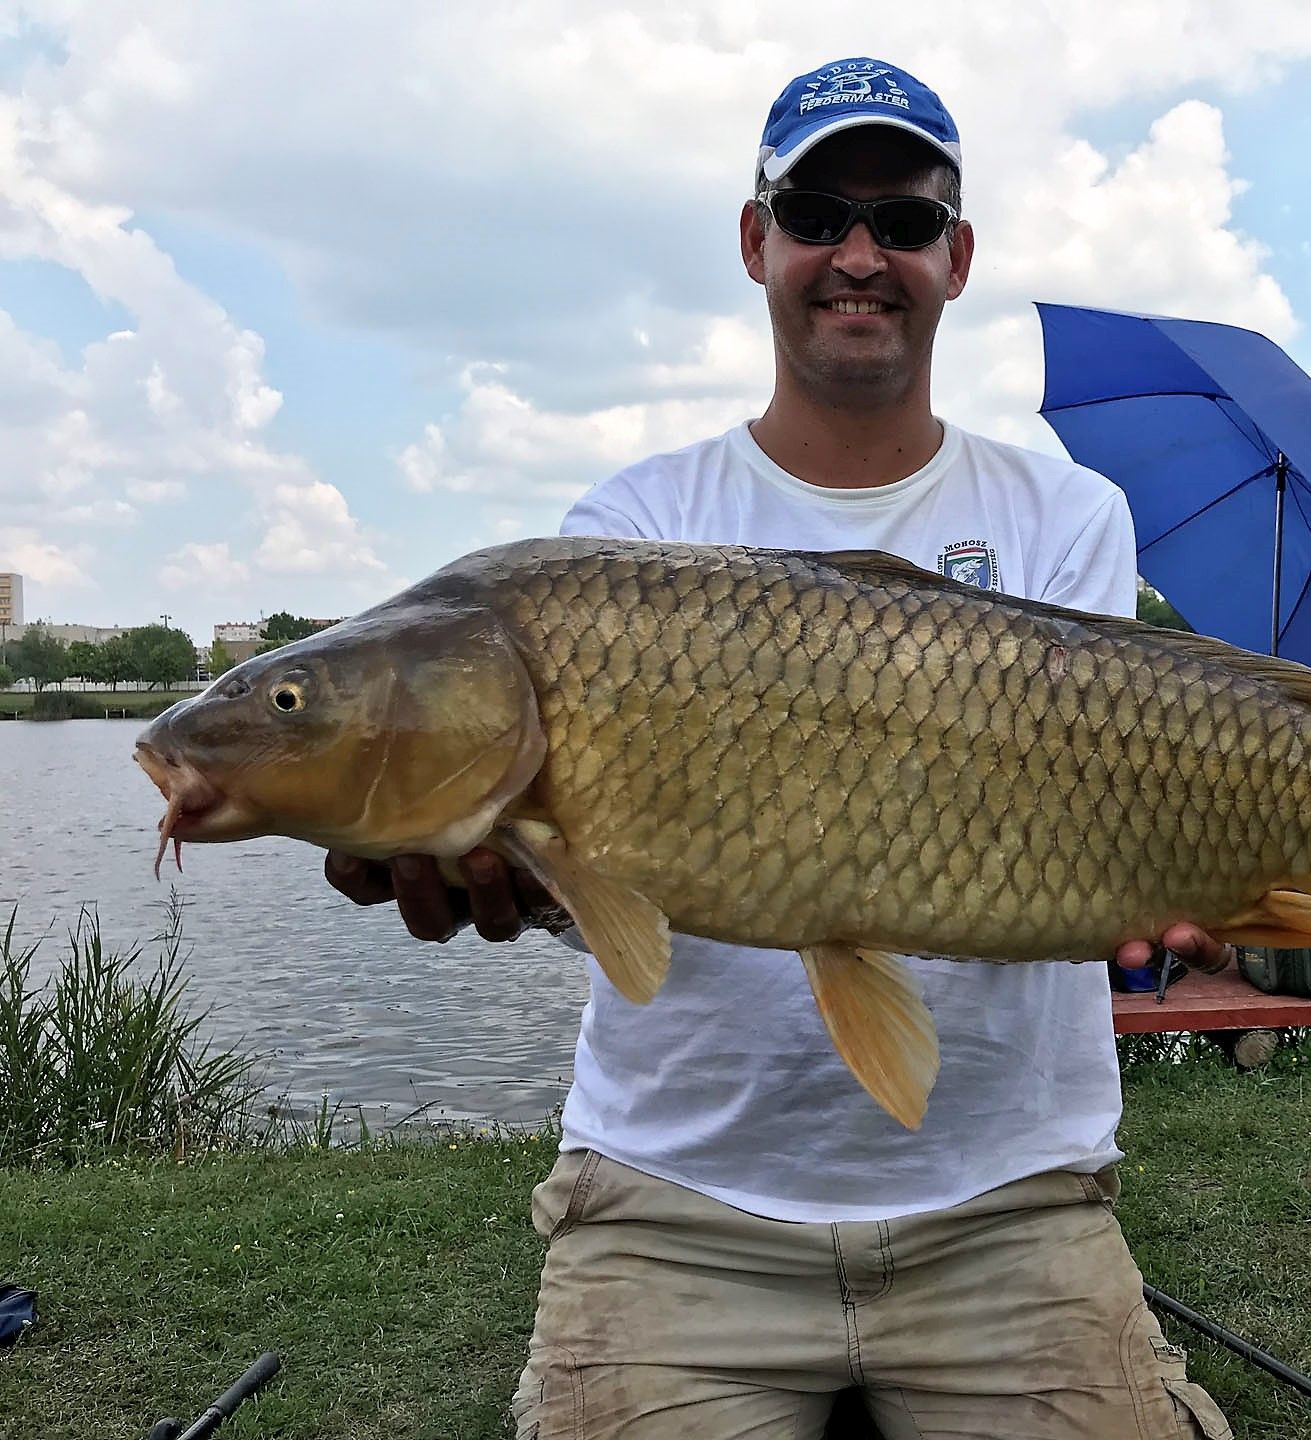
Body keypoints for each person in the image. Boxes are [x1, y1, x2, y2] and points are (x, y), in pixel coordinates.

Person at [326, 56, 1236, 1440]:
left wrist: (1183, 893)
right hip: (674, 1203)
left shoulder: (1068, 518)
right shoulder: (628, 528)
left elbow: (1092, 823)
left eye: (907, 221)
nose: (860, 254)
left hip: (1009, 1199)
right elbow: (624, 895)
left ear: (958, 257)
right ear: (757, 242)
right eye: (817, 211)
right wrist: (530, 879)